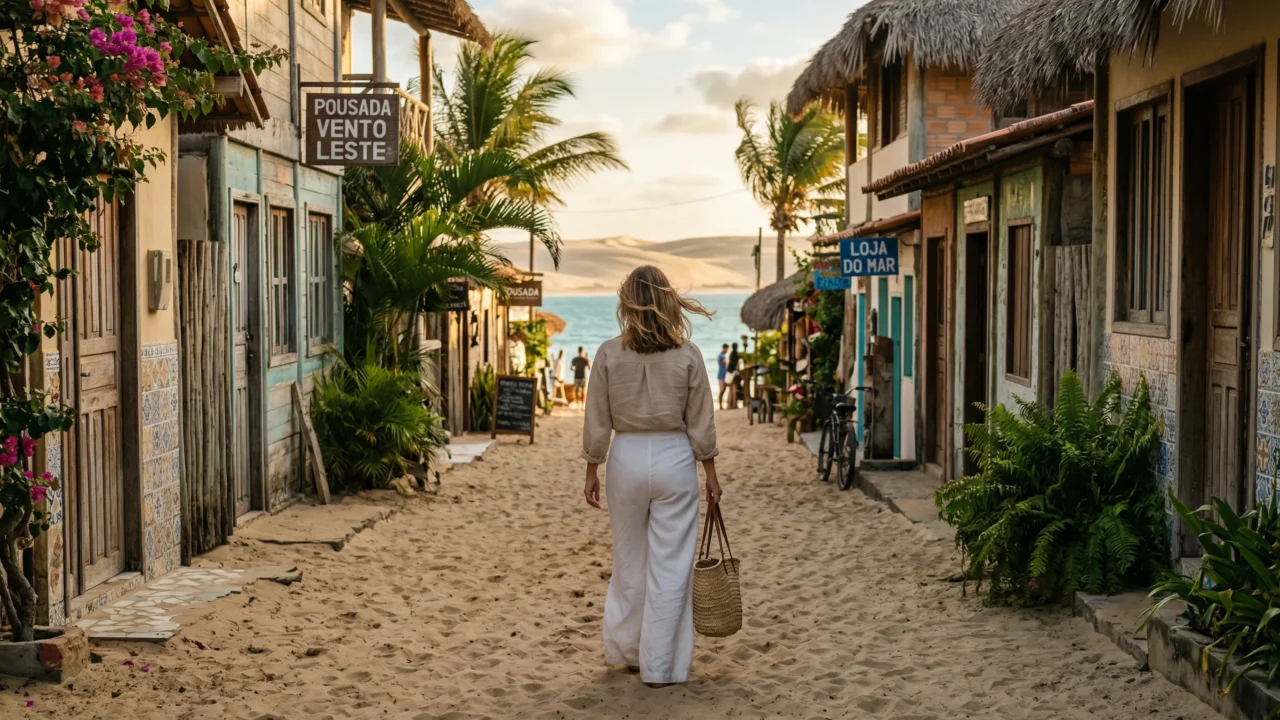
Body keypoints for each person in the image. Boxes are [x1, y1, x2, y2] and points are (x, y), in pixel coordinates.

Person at [581, 265, 721, 689]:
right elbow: (701, 423)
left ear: (627, 302)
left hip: (625, 455)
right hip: (674, 457)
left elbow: (597, 419)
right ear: (667, 301)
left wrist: (592, 467)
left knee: (628, 561)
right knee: (671, 564)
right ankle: (662, 667)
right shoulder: (688, 355)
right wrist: (710, 473)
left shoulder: (607, 353)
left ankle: (626, 653)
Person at [725, 342, 741, 409]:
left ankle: (729, 405)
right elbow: (737, 364)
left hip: (729, 372)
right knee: (734, 389)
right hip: (734, 373)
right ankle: (734, 404)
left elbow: (728, 363)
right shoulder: (736, 354)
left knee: (730, 390)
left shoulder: (731, 354)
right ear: (736, 347)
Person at [716, 344, 729, 409]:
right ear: (724, 348)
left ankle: (721, 405)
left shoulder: (722, 356)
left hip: (723, 375)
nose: (727, 350)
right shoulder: (721, 356)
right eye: (727, 349)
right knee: (721, 391)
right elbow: (722, 363)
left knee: (723, 390)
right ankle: (720, 406)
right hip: (721, 376)